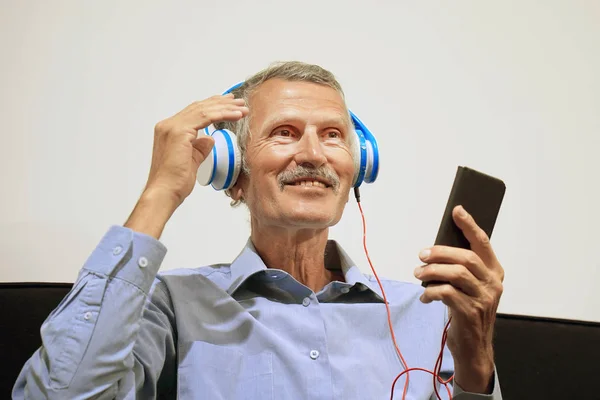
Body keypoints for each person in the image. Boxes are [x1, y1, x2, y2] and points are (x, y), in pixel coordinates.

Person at [13, 61, 504, 399]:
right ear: (233, 175)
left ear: (359, 166)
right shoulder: (174, 307)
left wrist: (477, 361)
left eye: (333, 135)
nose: (313, 154)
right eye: (284, 133)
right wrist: (159, 193)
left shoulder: (430, 313)